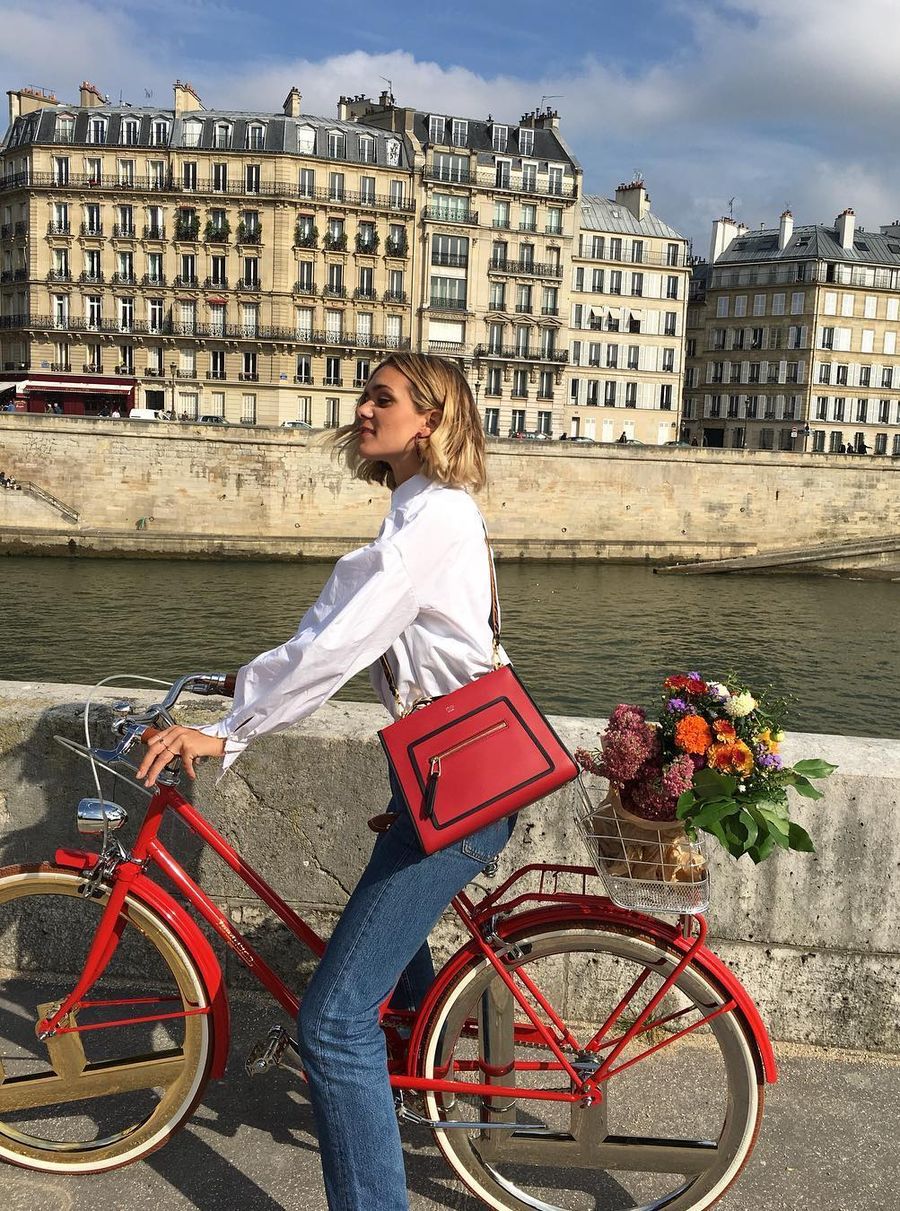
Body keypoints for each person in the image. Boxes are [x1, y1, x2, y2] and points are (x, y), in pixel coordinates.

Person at [135, 353, 515, 1211]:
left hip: (457, 795)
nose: (362, 407)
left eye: (383, 398)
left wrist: (230, 730)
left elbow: (340, 638)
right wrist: (246, 682)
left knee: (333, 1023)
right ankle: (422, 1069)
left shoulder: (435, 518)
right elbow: (354, 629)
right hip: (444, 778)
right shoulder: (418, 511)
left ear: (430, 420)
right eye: (366, 394)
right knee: (373, 968)